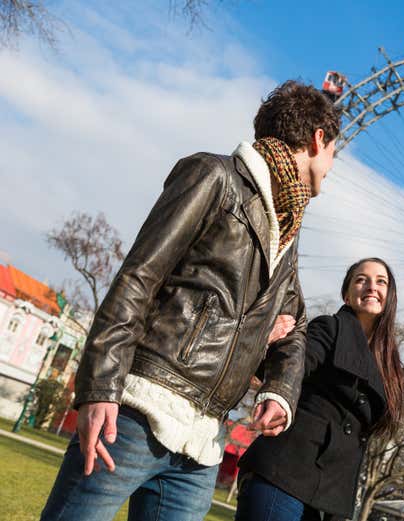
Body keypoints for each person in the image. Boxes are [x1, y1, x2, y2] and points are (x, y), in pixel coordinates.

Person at [40, 80, 341, 521]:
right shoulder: (214, 176)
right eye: (335, 153)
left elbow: (294, 324)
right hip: (136, 413)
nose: (332, 166)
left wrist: (279, 390)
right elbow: (138, 277)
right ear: (319, 139)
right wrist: (100, 386)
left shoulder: (288, 230)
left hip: (202, 444)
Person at [235, 257, 404, 521]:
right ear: (346, 295)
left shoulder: (383, 364)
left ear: (389, 298)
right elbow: (297, 363)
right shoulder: (329, 327)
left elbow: (394, 387)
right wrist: (272, 365)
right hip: (284, 473)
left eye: (381, 281)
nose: (371, 286)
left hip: (327, 496)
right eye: (361, 279)